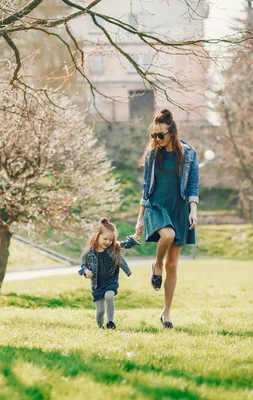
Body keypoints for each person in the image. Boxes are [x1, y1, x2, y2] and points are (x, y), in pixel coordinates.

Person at [135, 109, 199, 329]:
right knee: (167, 235)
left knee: (173, 265)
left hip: (179, 208)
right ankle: (156, 264)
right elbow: (146, 187)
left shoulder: (189, 154)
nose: (156, 139)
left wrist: (193, 210)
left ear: (172, 132)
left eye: (160, 135)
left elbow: (192, 185)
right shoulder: (153, 154)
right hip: (157, 205)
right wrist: (140, 218)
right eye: (154, 135)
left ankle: (166, 313)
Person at [78, 217, 140, 329]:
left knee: (109, 295)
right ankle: (100, 327)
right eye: (105, 239)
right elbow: (83, 267)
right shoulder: (88, 253)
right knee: (100, 310)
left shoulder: (113, 248)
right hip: (97, 284)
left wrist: (137, 235)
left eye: (111, 240)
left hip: (111, 280)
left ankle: (110, 322)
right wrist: (86, 271)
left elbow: (127, 244)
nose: (108, 242)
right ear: (97, 236)